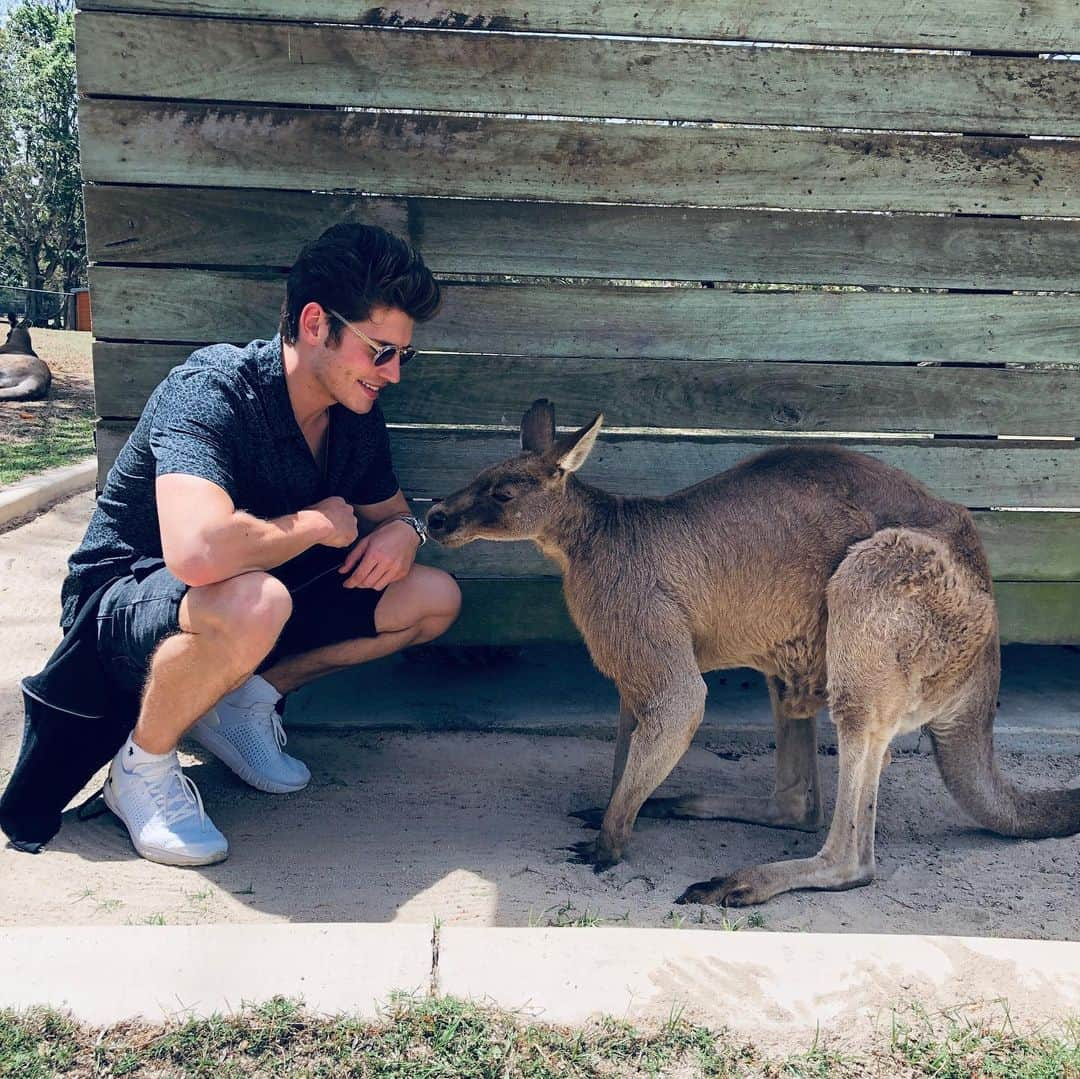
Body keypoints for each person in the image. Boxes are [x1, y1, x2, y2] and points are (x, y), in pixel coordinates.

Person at [56, 223, 461, 865]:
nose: (393, 374)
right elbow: (197, 552)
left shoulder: (355, 418)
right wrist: (317, 524)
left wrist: (405, 534)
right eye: (380, 349)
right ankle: (141, 766)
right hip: (120, 599)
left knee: (433, 597)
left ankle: (245, 700)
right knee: (256, 600)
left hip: (246, 600)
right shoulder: (214, 389)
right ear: (313, 323)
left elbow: (390, 515)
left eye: (403, 356)